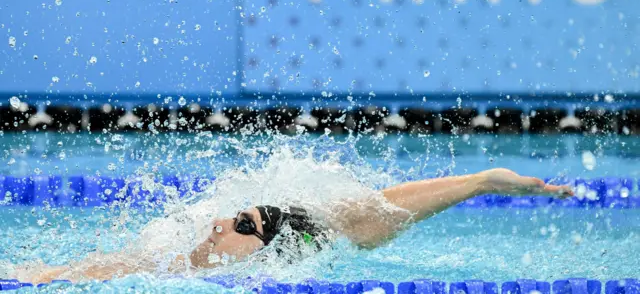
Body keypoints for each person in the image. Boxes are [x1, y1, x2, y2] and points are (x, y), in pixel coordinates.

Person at [21, 168, 572, 284]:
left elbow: (375, 216)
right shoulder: (169, 256)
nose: (215, 222)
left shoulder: (273, 275)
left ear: (262, 251)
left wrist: (483, 183)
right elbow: (110, 266)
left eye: (240, 223)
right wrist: (49, 275)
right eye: (235, 213)